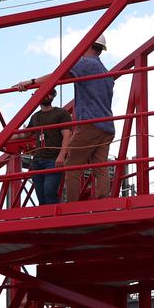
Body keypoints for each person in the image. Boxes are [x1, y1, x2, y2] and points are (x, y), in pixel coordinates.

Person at [56, 36, 115, 201]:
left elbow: (58, 76)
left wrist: (32, 82)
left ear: (87, 46)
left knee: (72, 166)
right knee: (100, 167)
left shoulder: (87, 64)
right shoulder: (106, 73)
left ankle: (72, 207)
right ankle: (104, 201)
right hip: (107, 127)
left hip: (90, 124)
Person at [21, 89, 72, 205]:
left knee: (49, 192)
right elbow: (25, 134)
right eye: (43, 93)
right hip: (38, 160)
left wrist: (61, 156)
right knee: (41, 195)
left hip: (53, 160)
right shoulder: (35, 117)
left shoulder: (61, 113)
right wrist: (1, 137)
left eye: (48, 93)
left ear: (53, 96)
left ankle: (54, 220)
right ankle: (46, 218)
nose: (46, 95)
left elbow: (67, 135)